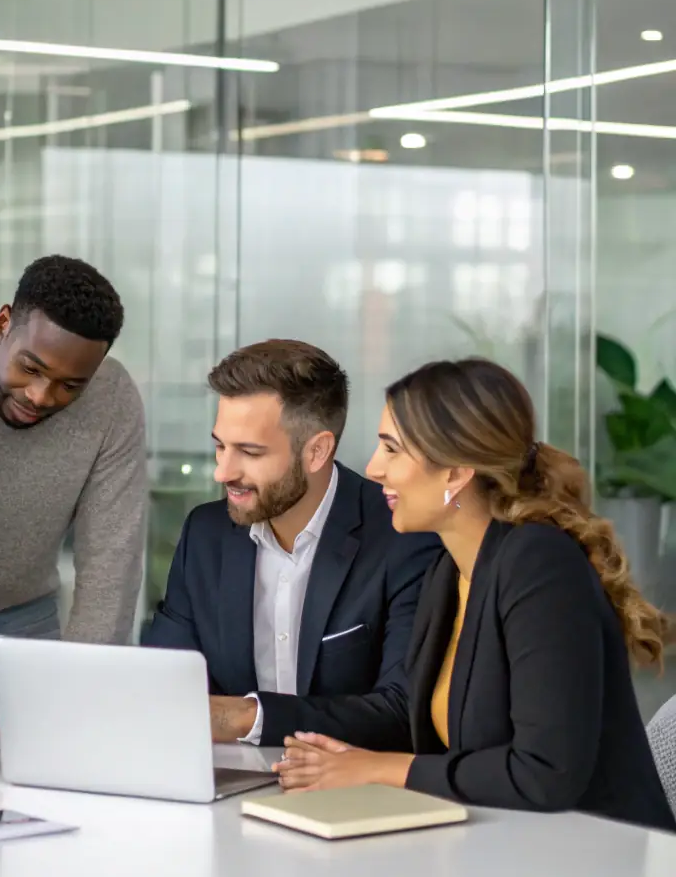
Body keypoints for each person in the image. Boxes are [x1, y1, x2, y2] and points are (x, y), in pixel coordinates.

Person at [277, 357, 675, 833]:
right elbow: (435, 739)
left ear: (455, 473)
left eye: (392, 449)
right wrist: (339, 757)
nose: (373, 468)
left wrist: (378, 768)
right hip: (504, 850)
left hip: (597, 867)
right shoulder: (448, 571)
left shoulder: (540, 564)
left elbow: (545, 774)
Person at [144, 340, 441, 747]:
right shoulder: (205, 535)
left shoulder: (401, 537)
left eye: (249, 452)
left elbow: (400, 709)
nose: (222, 472)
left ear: (317, 450)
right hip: (222, 781)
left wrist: (249, 717)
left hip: (351, 794)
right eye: (220, 446)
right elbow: (165, 683)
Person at [0, 255, 146, 643]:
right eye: (30, 369)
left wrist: (90, 677)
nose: (40, 396)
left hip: (25, 621)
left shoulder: (111, 397)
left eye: (70, 385)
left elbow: (112, 559)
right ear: (3, 323)